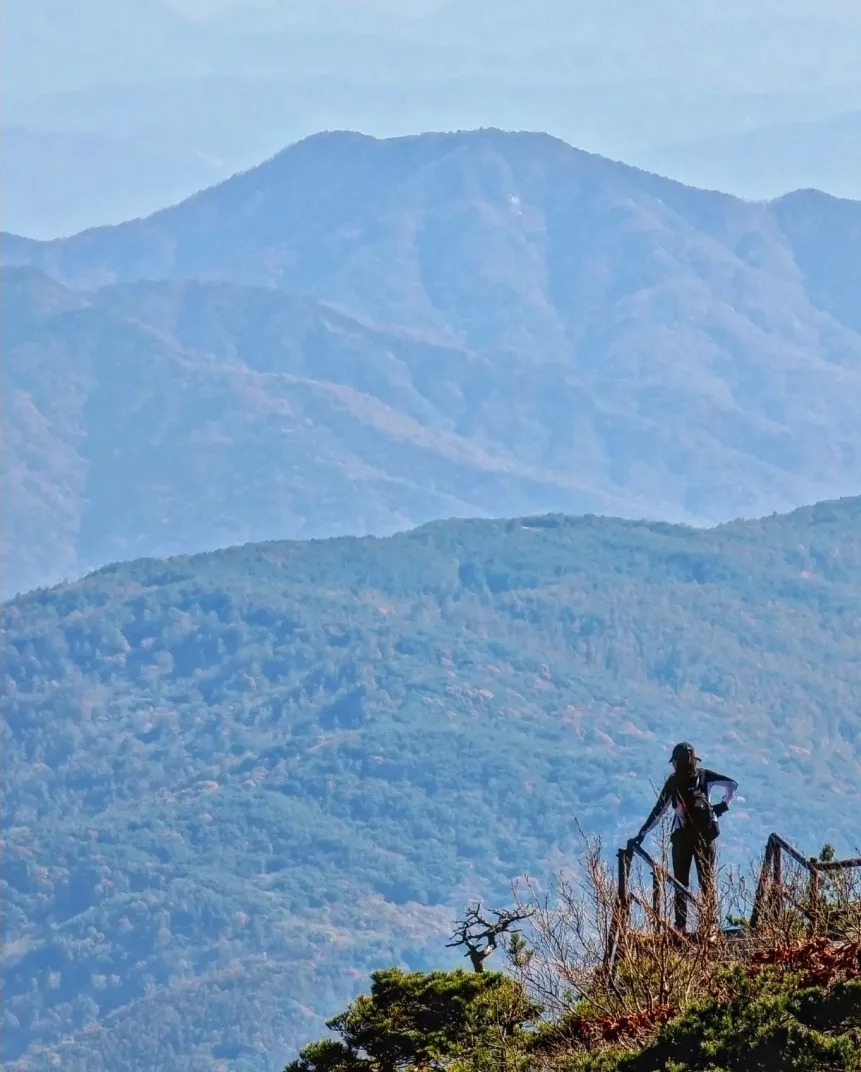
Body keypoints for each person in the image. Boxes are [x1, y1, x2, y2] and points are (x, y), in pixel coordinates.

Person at [628, 742, 738, 934]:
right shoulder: (704, 776)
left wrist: (642, 834)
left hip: (681, 838)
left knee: (680, 882)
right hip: (706, 837)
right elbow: (732, 785)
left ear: (676, 763)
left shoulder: (673, 782)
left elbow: (659, 811)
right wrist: (722, 806)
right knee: (707, 881)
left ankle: (680, 925)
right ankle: (710, 924)